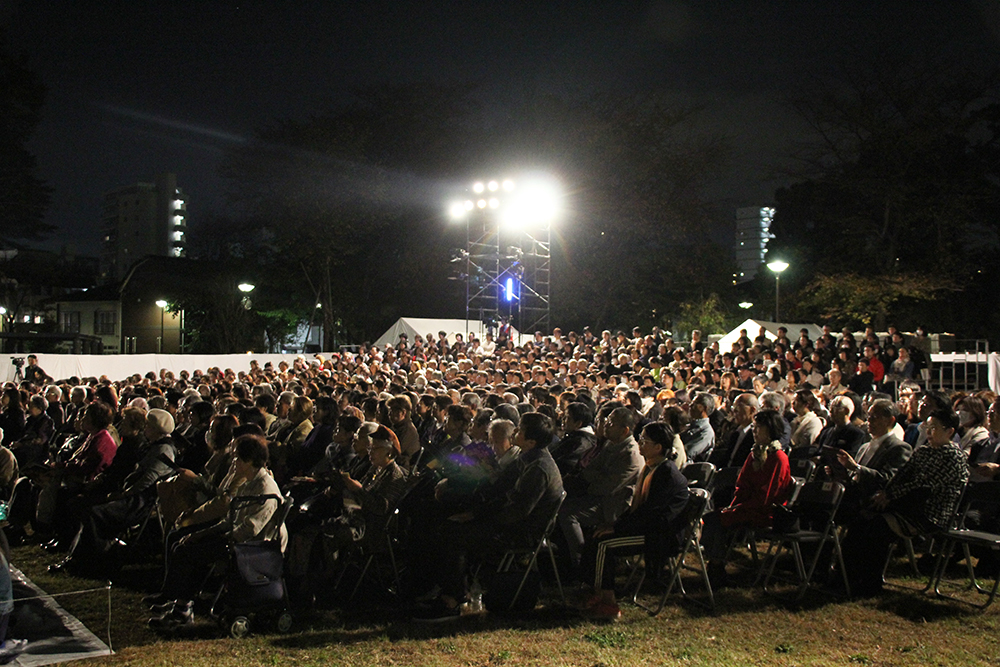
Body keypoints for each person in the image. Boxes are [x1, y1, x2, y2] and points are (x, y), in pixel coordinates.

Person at [149, 434, 286, 629]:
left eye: (238, 458)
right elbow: (230, 519)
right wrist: (202, 534)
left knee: (188, 553)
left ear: (249, 461)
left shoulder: (265, 489)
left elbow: (250, 528)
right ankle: (180, 603)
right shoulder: (249, 482)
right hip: (239, 539)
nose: (234, 461)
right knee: (187, 544)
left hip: (253, 546)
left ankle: (182, 608)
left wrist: (219, 538)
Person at [840, 409, 969, 596]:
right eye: (927, 427)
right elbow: (902, 475)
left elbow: (924, 485)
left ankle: (869, 583)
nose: (928, 432)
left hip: (929, 512)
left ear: (949, 431)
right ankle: (846, 578)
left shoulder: (954, 457)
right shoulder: (924, 452)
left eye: (934, 428)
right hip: (906, 505)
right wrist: (886, 492)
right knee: (860, 523)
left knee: (876, 528)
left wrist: (891, 496)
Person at [578, 422, 690, 620]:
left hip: (659, 535)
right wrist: (614, 525)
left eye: (645, 440)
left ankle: (609, 602)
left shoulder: (666, 474)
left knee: (605, 545)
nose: (640, 443)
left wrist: (618, 528)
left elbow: (652, 515)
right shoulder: (650, 467)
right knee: (595, 534)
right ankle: (594, 590)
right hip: (645, 526)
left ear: (658, 447)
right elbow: (638, 509)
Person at [702, 409, 792, 586]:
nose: (754, 431)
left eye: (759, 427)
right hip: (747, 506)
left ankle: (716, 565)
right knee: (713, 517)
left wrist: (738, 508)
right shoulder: (755, 454)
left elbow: (768, 496)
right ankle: (715, 563)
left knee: (715, 520)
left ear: (770, 429)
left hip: (764, 511)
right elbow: (742, 485)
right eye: (754, 427)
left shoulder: (778, 458)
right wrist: (735, 505)